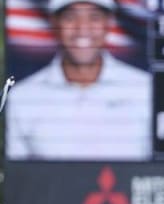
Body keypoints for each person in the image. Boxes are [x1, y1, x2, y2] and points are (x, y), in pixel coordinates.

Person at [5, 0, 151, 161]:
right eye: (70, 17)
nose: (82, 28)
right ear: (55, 23)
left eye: (94, 17)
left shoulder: (146, 90)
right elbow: (15, 180)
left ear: (109, 23)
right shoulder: (21, 98)